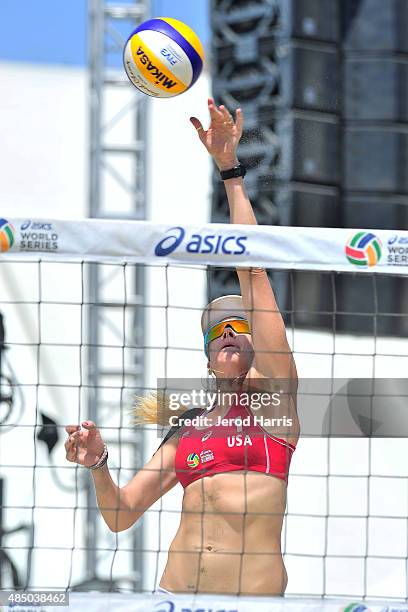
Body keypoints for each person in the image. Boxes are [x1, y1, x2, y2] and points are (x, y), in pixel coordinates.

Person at [64, 98, 299, 596]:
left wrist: (229, 171)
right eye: (218, 331)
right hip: (174, 598)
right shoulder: (187, 429)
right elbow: (121, 514)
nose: (230, 332)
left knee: (252, 276)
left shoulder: (276, 406)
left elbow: (253, 270)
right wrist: (99, 466)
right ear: (209, 356)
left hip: (252, 606)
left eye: (240, 325)